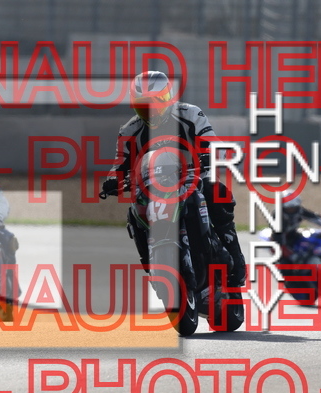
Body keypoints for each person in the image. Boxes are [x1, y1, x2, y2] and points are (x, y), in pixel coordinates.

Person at [101, 70, 247, 285]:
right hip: (152, 185)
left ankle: (234, 253)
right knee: (134, 213)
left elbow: (213, 142)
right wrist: (113, 180)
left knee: (215, 192)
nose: (150, 111)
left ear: (168, 98)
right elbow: (120, 162)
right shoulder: (129, 131)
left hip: (193, 177)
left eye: (155, 103)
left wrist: (212, 155)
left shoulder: (190, 114)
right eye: (143, 106)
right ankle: (150, 262)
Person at [271, 190, 321, 263]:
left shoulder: (300, 211)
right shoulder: (277, 217)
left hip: (293, 235)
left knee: (310, 244)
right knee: (287, 262)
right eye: (289, 208)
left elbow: (314, 217)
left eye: (294, 207)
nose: (292, 210)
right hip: (279, 241)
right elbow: (279, 239)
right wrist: (291, 255)